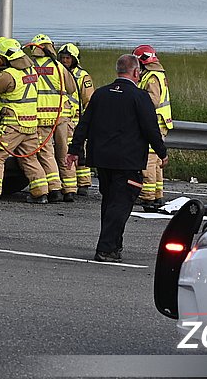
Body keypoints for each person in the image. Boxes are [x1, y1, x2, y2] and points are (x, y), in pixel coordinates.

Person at [66, 54, 168, 263]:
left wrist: (74, 149)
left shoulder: (101, 94)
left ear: (118, 71)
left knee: (111, 202)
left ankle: (114, 245)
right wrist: (162, 152)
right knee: (121, 204)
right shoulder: (140, 97)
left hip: (102, 160)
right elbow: (151, 129)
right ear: (136, 72)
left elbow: (84, 124)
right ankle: (105, 248)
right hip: (128, 161)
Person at [0, 38, 48, 204]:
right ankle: (41, 193)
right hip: (30, 124)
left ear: (4, 58)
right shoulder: (32, 71)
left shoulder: (9, 75)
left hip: (13, 124)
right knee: (29, 158)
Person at [25, 35, 77, 203]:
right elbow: (71, 88)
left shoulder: (30, 67)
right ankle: (70, 190)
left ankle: (54, 189)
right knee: (64, 153)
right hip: (61, 116)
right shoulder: (59, 66)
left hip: (40, 118)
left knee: (47, 154)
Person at [133, 44, 173, 207]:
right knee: (156, 161)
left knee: (148, 161)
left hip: (153, 122)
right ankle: (157, 194)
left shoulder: (152, 77)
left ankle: (148, 196)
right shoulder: (156, 74)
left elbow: (152, 101)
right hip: (159, 122)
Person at [59, 43, 96, 196]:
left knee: (80, 152)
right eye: (63, 57)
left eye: (68, 58)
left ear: (74, 59)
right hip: (63, 119)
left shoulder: (82, 76)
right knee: (69, 153)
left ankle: (84, 183)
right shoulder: (58, 72)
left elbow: (89, 100)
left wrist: (86, 121)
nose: (65, 60)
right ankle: (72, 183)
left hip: (77, 119)